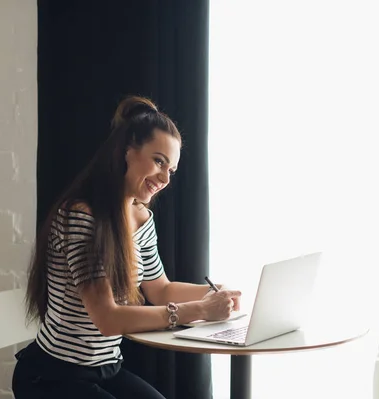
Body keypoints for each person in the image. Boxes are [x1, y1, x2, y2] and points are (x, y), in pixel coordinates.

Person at [12, 96, 242, 399]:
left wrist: (212, 293)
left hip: (107, 368)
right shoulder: (81, 216)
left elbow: (160, 289)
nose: (164, 177)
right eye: (159, 161)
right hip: (53, 375)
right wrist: (199, 310)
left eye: (171, 169)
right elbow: (107, 318)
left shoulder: (142, 219)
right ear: (126, 152)